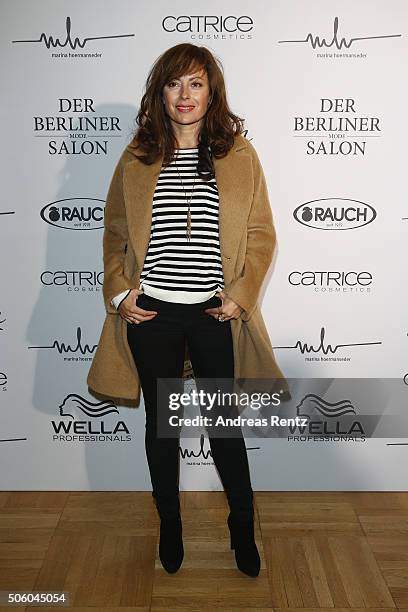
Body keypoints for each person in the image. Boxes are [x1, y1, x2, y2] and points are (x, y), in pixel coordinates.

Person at [87, 42, 291, 576]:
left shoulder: (239, 155)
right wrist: (119, 293)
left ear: (211, 93)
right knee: (162, 430)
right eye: (174, 83)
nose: (184, 94)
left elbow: (261, 234)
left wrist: (241, 297)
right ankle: (170, 528)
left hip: (212, 316)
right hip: (151, 314)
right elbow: (112, 234)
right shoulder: (136, 158)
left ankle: (241, 528)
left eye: (195, 83)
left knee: (225, 429)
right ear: (161, 92)